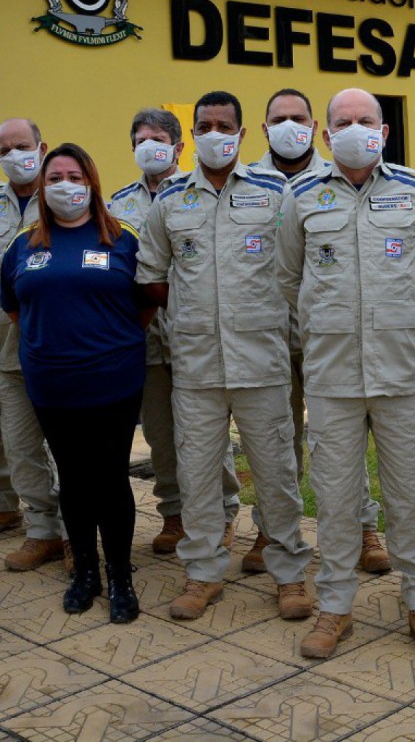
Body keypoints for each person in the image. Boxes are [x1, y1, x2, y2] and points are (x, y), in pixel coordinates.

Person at [276, 87, 415, 661]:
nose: (356, 129)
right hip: (331, 378)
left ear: (383, 131)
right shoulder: (299, 195)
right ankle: (335, 607)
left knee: (412, 496)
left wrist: (406, 333)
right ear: (326, 137)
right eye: (344, 122)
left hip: (401, 375)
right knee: (334, 497)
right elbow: (288, 278)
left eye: (367, 120)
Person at [136, 90, 313, 621]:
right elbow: (152, 277)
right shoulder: (170, 202)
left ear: (241, 134)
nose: (215, 134)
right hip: (195, 365)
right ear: (192, 136)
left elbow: (300, 270)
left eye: (224, 126)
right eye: (205, 125)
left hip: (262, 361)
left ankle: (289, 572)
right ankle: (203, 572)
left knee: (277, 471)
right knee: (198, 473)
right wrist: (196, 313)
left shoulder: (278, 192)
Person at [246, 88, 389, 577]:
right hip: (266, 331)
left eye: (299, 117)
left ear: (314, 127)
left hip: (333, 333)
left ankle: (365, 527)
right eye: (279, 117)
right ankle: (272, 528)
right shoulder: (247, 180)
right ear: (265, 128)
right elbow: (284, 271)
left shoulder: (336, 177)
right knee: (274, 437)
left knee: (342, 434)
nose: (291, 125)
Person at [1, 143, 146, 624]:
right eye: (56, 176)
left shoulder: (122, 237)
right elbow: (16, 306)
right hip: (51, 384)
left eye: (76, 176)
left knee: (110, 479)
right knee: (74, 480)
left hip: (113, 382)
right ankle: (85, 572)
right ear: (43, 186)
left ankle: (121, 576)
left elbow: (146, 301)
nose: (66, 185)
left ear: (92, 182)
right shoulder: (24, 244)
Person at [109, 108, 238, 555]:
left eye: (159, 138)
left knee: (207, 435)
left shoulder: (195, 193)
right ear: (132, 147)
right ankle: (174, 514)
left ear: (179, 147)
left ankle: (222, 512)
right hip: (146, 341)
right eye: (141, 138)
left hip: (197, 337)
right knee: (163, 435)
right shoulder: (117, 205)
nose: (150, 145)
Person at [0, 117, 65, 572]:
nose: (13, 155)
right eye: (4, 149)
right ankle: (42, 531)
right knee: (22, 448)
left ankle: (72, 530)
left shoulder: (65, 199)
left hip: (58, 352)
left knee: (66, 448)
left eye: (21, 145)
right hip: (7, 354)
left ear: (41, 148)